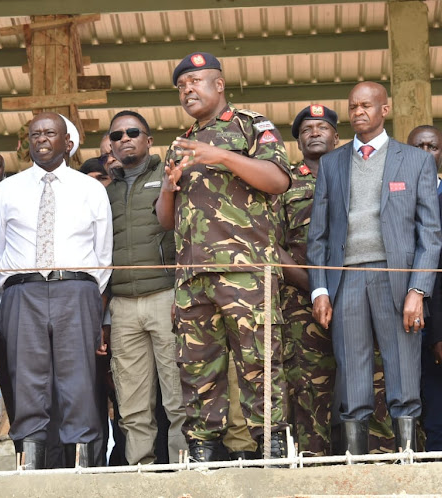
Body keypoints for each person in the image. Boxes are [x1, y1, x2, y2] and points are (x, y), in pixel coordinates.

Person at [155, 52, 291, 461]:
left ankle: (271, 449)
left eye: (195, 82)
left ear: (219, 85)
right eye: (181, 86)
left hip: (246, 273)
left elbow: (278, 180)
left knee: (260, 364)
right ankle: (203, 452)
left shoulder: (251, 126)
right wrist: (168, 186)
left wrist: (224, 157)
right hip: (193, 279)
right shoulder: (180, 143)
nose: (187, 91)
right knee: (198, 370)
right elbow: (165, 220)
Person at [307, 82, 441, 455]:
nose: (358, 112)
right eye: (353, 107)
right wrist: (319, 289)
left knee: (403, 372)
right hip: (346, 279)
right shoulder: (332, 163)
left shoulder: (414, 160)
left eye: (367, 105)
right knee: (352, 373)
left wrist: (419, 290)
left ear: (385, 109)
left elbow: (430, 234)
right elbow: (317, 235)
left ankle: (407, 462)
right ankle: (356, 468)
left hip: (397, 279)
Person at [0, 112, 113, 469]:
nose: (41, 139)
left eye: (50, 133)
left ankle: (81, 473)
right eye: (35, 134)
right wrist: (16, 286)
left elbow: (103, 251)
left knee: (79, 385)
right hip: (22, 292)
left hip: (76, 289)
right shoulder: (7, 189)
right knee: (27, 384)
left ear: (67, 143)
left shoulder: (90, 189)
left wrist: (81, 286)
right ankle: (32, 471)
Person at [104, 110, 187, 465]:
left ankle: (185, 469)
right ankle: (142, 472)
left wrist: (183, 294)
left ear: (149, 140)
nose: (125, 138)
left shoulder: (170, 176)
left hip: (165, 297)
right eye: (117, 135)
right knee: (132, 402)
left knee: (178, 396)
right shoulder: (104, 193)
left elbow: (188, 236)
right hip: (122, 305)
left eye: (133, 132)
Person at [277, 105, 340, 455]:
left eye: (322, 126)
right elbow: (272, 243)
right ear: (298, 141)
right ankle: (313, 468)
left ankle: (380, 462)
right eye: (306, 129)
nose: (314, 132)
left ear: (336, 136)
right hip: (300, 299)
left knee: (374, 380)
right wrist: (313, 287)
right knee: (309, 387)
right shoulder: (284, 181)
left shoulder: (355, 175)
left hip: (357, 293)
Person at [407, 125, 442, 451]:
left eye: (432, 147)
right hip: (397, 313)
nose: (425, 153)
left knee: (438, 403)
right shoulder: (390, 200)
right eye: (417, 146)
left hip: (440, 317)